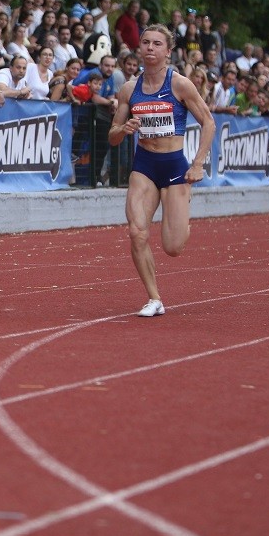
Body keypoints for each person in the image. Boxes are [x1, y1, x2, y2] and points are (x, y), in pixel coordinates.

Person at [108, 25, 215, 317]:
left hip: (174, 166)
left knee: (173, 247)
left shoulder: (180, 84)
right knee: (136, 231)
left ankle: (181, 209)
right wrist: (124, 128)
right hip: (144, 165)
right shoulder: (129, 89)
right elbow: (113, 136)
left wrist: (198, 163)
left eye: (157, 44)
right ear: (139, 48)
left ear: (168, 51)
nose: (150, 48)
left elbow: (208, 122)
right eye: (145, 43)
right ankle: (154, 298)